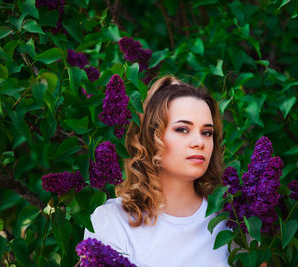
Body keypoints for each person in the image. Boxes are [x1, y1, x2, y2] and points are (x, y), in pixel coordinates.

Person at [84, 76, 229, 266]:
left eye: (207, 132)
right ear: (152, 138)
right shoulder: (112, 221)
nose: (199, 142)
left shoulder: (231, 221)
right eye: (183, 129)